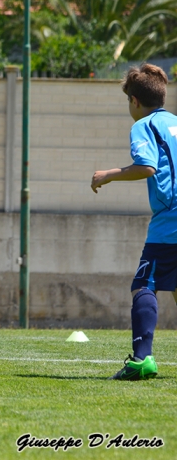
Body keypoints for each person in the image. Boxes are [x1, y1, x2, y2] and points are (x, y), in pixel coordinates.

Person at [91, 63, 176, 380]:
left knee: (144, 284)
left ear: (135, 102)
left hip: (170, 221)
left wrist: (108, 175)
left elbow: (147, 167)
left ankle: (142, 360)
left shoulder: (144, 126)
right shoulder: (175, 124)